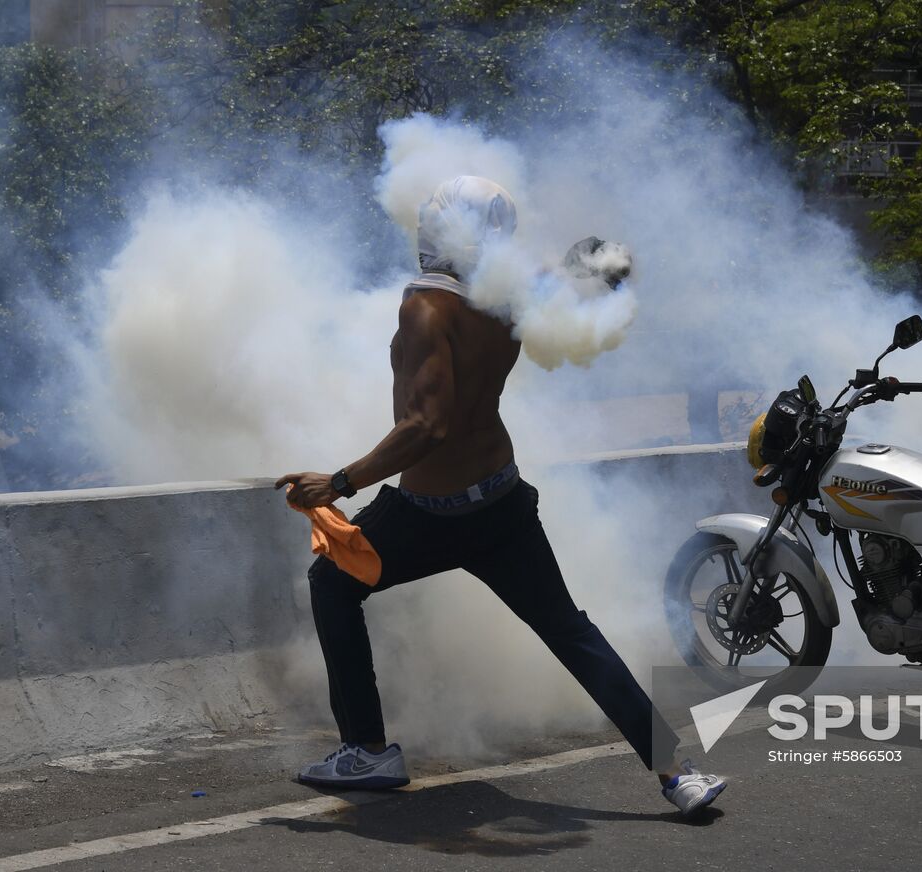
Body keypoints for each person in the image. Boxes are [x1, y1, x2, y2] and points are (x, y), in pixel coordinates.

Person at [275, 176, 727, 817]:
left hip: (429, 516)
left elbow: (426, 427)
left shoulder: (426, 307)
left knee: (331, 582)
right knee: (571, 632)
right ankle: (677, 774)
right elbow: (572, 278)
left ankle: (368, 751)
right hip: (500, 504)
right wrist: (592, 262)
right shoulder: (504, 294)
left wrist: (338, 483)